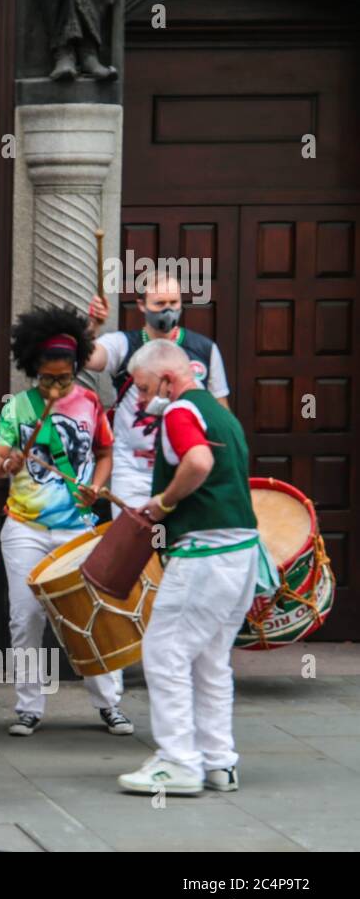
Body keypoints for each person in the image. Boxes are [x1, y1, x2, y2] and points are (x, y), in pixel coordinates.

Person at [117, 338, 267, 795]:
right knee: (210, 659)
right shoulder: (221, 413)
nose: (140, 401)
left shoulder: (180, 412)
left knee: (164, 653)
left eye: (142, 389)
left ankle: (179, 762)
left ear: (167, 378)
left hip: (205, 552)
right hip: (240, 551)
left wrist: (162, 503)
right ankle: (218, 760)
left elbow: (198, 462)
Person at [0, 306, 133, 738]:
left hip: (77, 526)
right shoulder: (17, 409)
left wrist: (99, 486)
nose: (55, 386)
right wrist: (8, 462)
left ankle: (109, 704)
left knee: (93, 613)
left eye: (64, 377)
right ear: (35, 369)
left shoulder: (88, 403)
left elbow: (104, 452)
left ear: (75, 369)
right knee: (26, 616)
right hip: (26, 528)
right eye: (48, 378)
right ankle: (29, 706)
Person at [85, 272, 230, 515]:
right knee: (131, 543)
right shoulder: (123, 344)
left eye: (174, 303)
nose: (168, 310)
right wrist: (93, 326)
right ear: (141, 305)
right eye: (159, 304)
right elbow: (86, 358)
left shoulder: (204, 349)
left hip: (183, 470)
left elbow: (221, 412)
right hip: (134, 471)